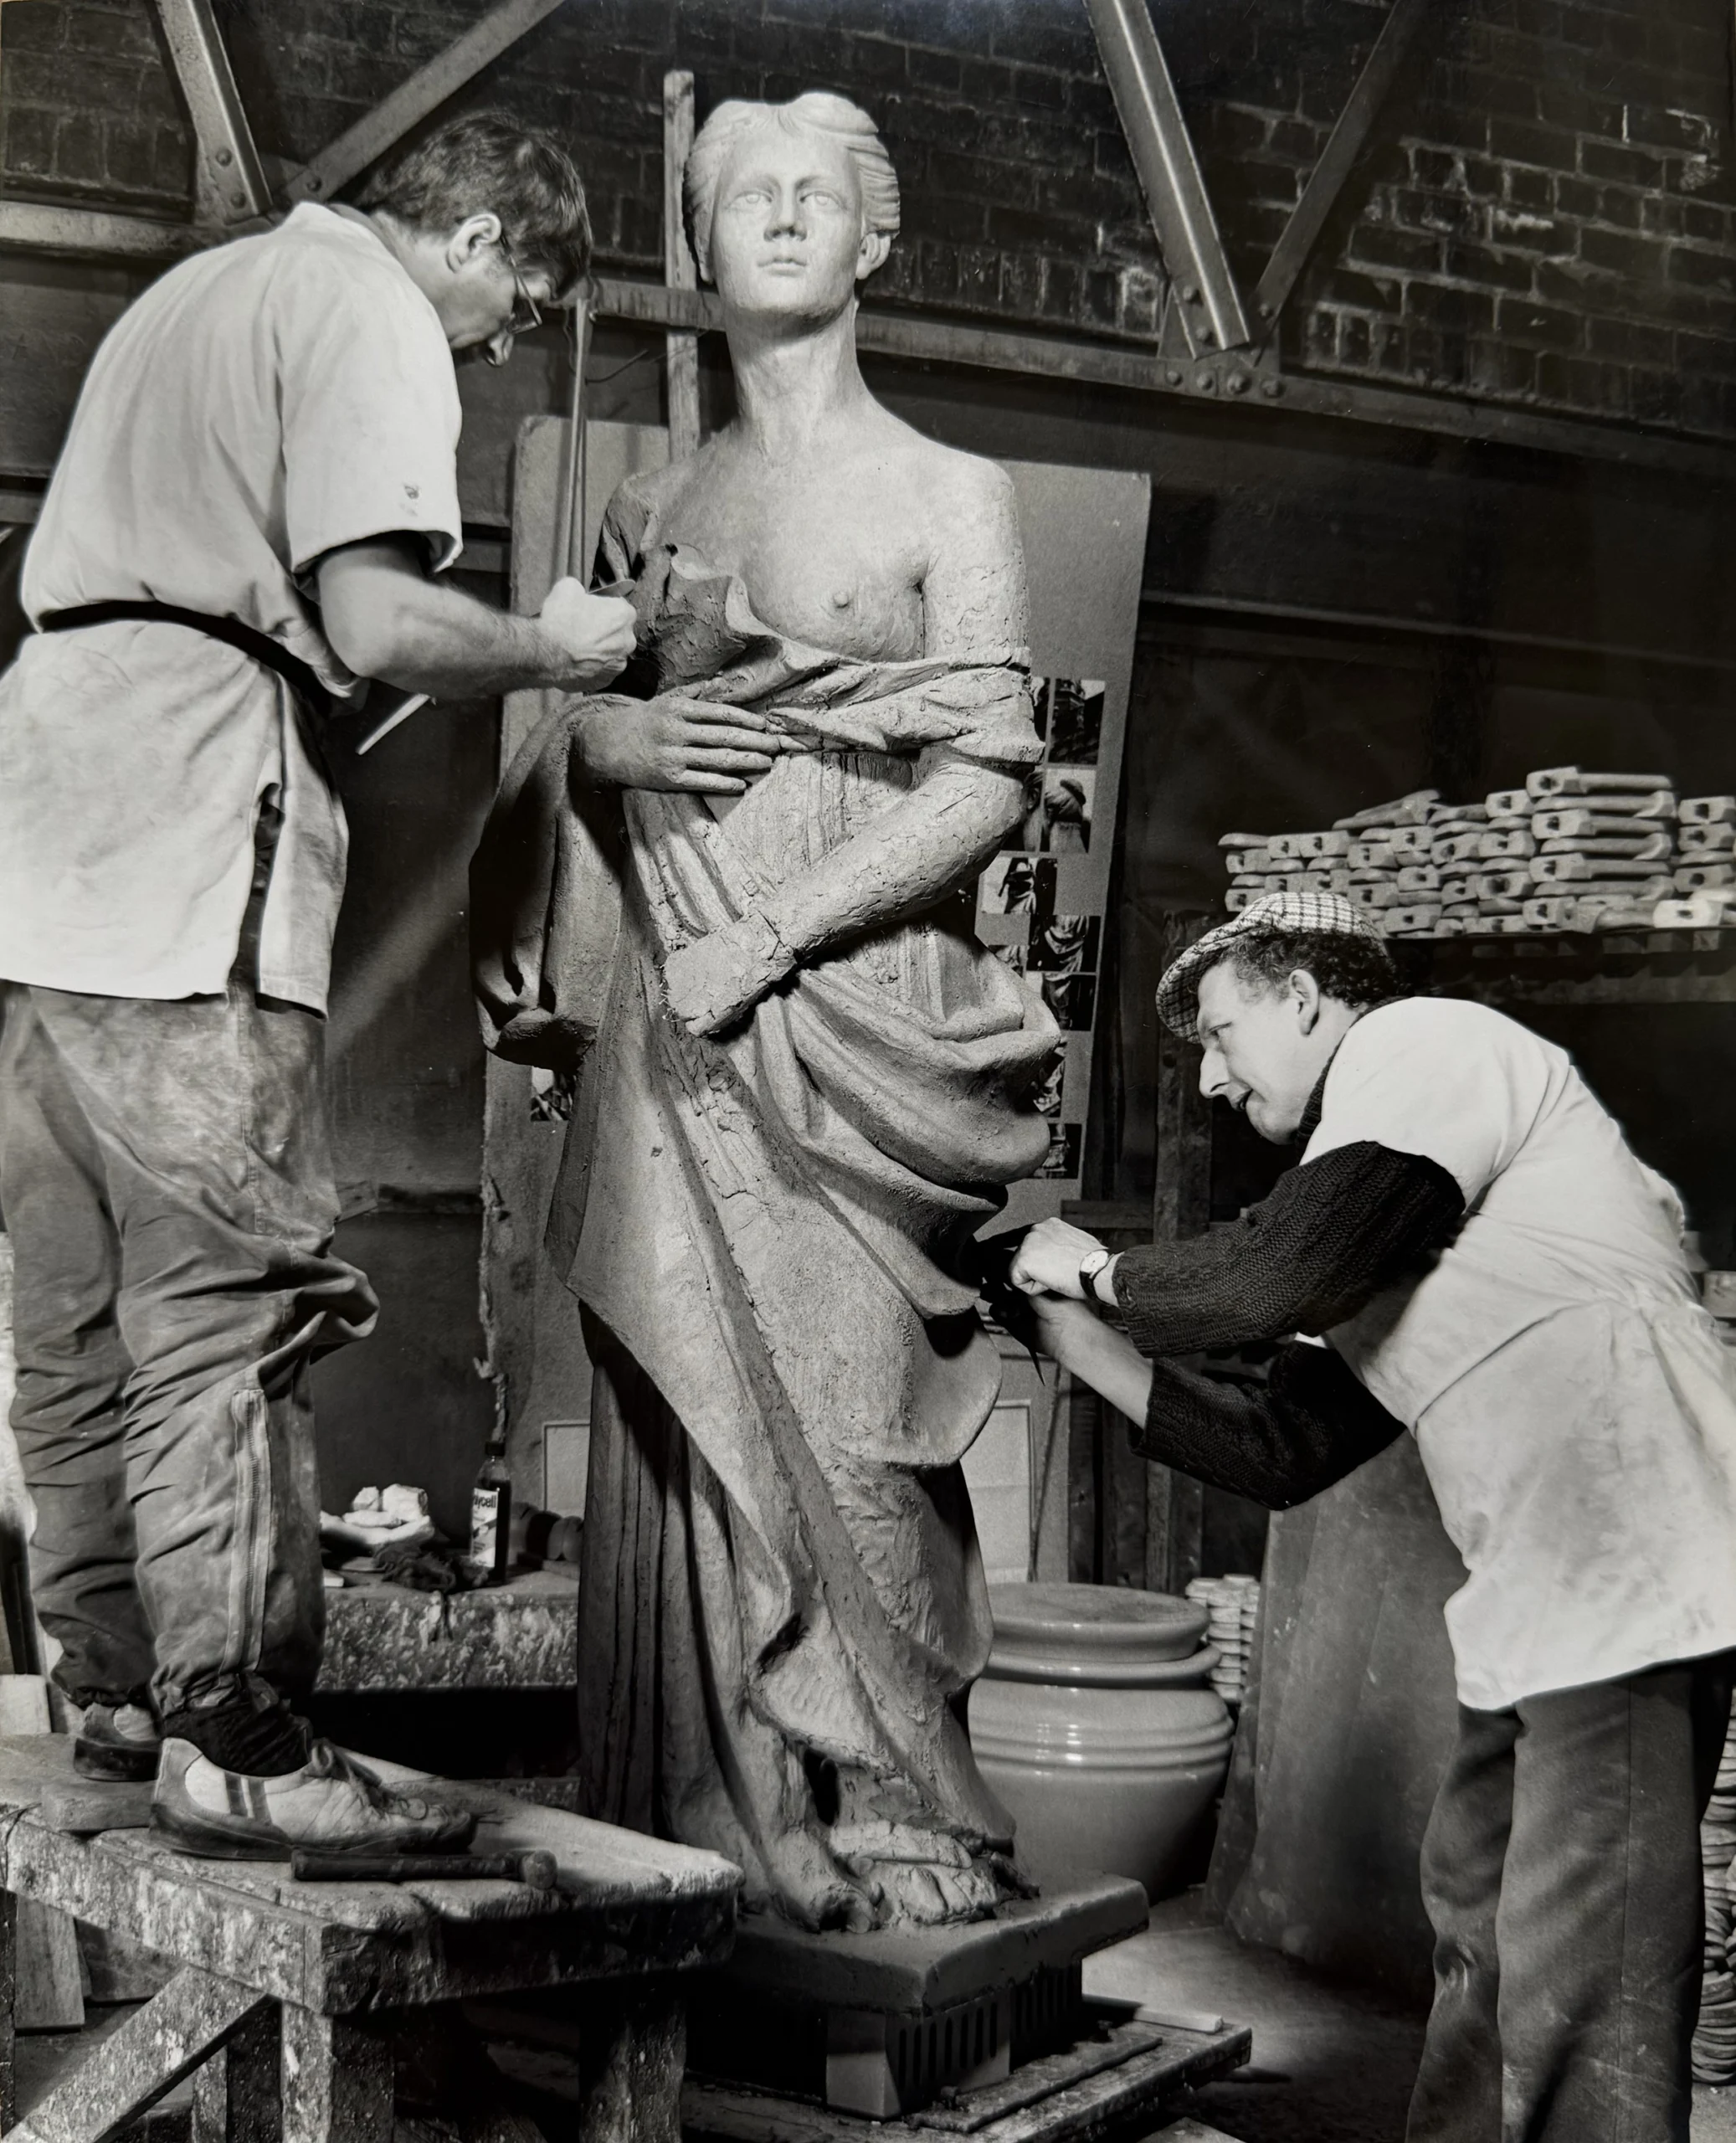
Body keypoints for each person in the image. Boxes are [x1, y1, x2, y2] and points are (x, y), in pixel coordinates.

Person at [0, 110, 706, 1858]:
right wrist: (559, 647)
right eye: (517, 308)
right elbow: (383, 623)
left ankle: (115, 1690)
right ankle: (237, 1731)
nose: (503, 345)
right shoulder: (366, 305)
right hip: (186, 851)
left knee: (76, 1315)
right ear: (474, 240)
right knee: (226, 1306)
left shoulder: (196, 296)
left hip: (43, 856)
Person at [471, 91, 1056, 1931]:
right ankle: (701, 1810)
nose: (785, 218)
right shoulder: (653, 505)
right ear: (699, 243)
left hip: (853, 1003)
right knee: (681, 1398)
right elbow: (574, 728)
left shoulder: (952, 492)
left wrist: (779, 935)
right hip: (674, 994)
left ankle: (897, 1804)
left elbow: (989, 777)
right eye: (746, 197)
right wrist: (604, 738)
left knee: (860, 1412)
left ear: (875, 241)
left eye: (819, 196)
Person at [1009, 889, 1736, 2142]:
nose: (1211, 1080)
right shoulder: (1387, 1201)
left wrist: (1096, 1268)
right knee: (1481, 1919)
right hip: (1541, 1601)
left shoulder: (1427, 1046)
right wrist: (1082, 1344)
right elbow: (1281, 1445)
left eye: (1222, 1034)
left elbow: (1273, 1277)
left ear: (1304, 999)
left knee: (1586, 1959)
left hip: (1632, 1575)